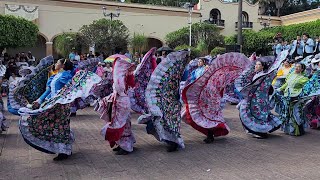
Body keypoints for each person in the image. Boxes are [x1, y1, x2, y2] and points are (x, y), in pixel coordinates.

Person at [182, 53, 250, 143]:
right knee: (198, 114)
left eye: (200, 61)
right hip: (202, 96)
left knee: (208, 116)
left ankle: (210, 135)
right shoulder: (198, 71)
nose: (199, 63)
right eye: (198, 61)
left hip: (211, 98)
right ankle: (209, 134)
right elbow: (195, 80)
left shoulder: (215, 73)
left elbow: (220, 86)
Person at [137, 51, 188, 152]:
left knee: (169, 122)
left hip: (172, 101)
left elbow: (181, 84)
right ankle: (171, 141)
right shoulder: (176, 69)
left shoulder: (181, 70)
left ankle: (172, 142)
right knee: (164, 120)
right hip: (167, 100)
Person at [237, 55, 286, 139]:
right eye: (256, 64)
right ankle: (255, 130)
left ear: (263, 67)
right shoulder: (256, 75)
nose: (256, 66)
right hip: (254, 98)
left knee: (258, 115)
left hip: (260, 100)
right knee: (247, 111)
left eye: (259, 64)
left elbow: (267, 86)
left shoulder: (265, 75)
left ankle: (260, 132)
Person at [96, 57, 136, 155]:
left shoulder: (121, 77)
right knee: (122, 122)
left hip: (121, 101)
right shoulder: (123, 75)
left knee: (120, 123)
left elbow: (120, 89)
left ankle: (125, 146)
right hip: (119, 101)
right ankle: (122, 144)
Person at [275, 63, 309, 136]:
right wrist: (279, 89)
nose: (296, 68)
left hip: (295, 97)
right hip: (287, 95)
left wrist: (301, 95)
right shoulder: (291, 75)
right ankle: (288, 129)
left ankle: (296, 130)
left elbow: (306, 89)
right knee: (287, 112)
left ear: (302, 69)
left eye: (299, 67)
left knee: (294, 113)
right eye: (296, 66)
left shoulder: (304, 78)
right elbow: (286, 84)